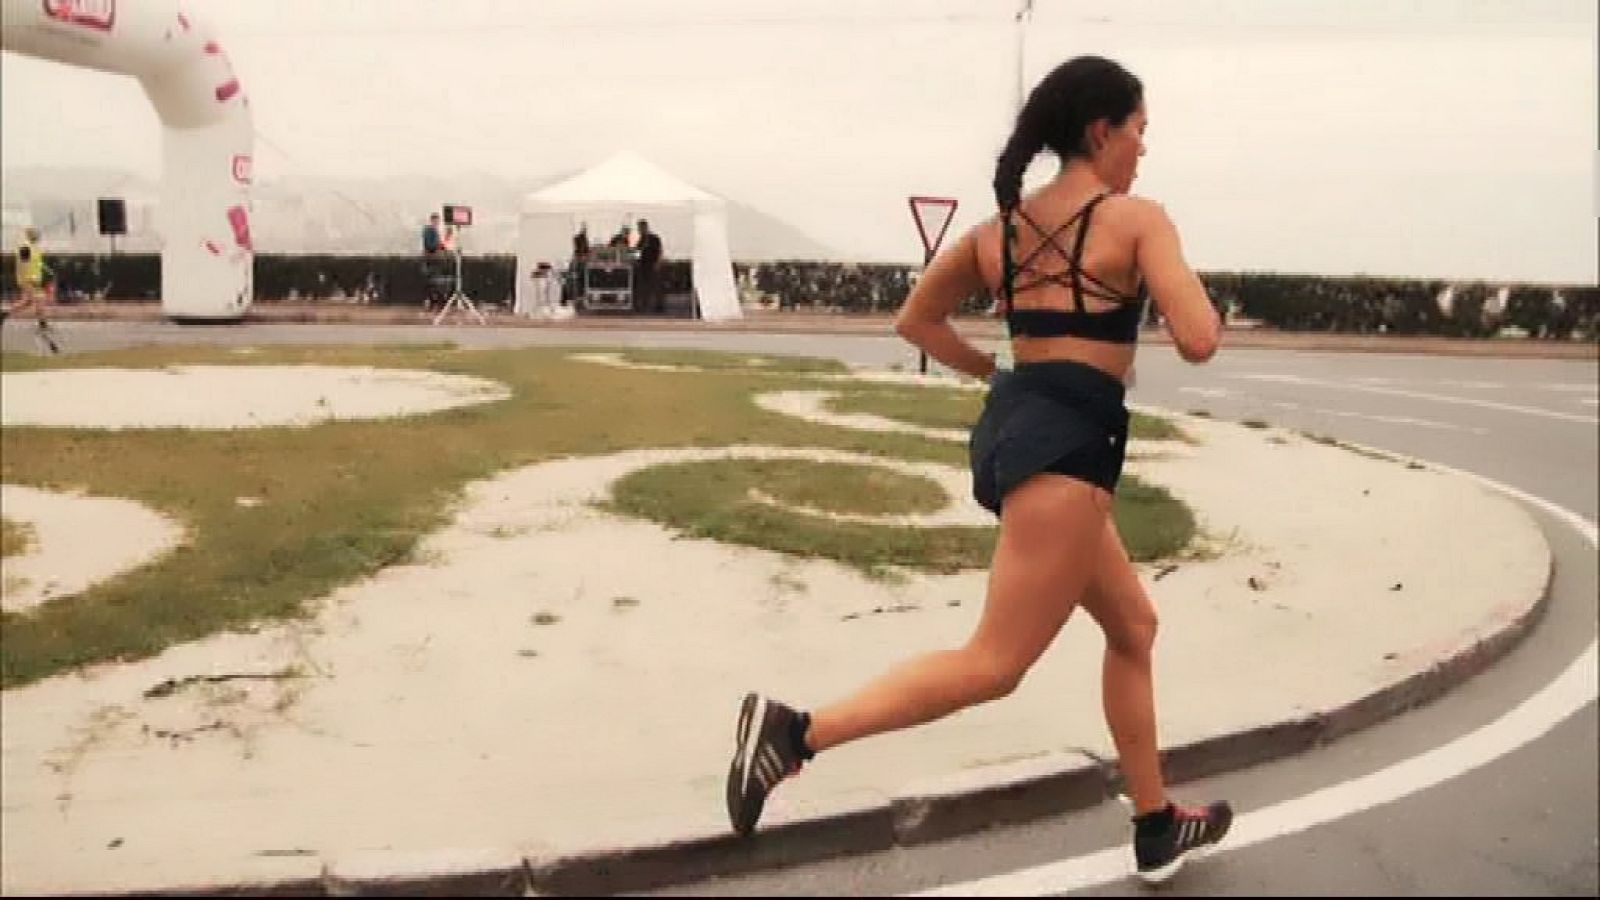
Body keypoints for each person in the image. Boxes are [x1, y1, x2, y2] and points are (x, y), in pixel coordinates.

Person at [723, 56, 1227, 885]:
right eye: (1139, 132)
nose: (1143, 150)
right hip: (1069, 453)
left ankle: (1154, 820)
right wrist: (1168, 298)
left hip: (1020, 432)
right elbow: (1200, 338)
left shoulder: (999, 234)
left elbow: (916, 321)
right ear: (1101, 132)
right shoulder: (1137, 220)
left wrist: (996, 375)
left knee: (1133, 627)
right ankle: (794, 734)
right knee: (994, 664)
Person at [8, 227, 59, 354]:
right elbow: (23, 264)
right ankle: (43, 324)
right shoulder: (25, 247)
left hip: (34, 280)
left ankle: (4, 313)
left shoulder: (35, 249)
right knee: (39, 299)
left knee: (27, 302)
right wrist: (28, 278)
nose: (38, 236)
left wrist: (48, 270)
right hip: (27, 280)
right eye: (35, 234)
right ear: (30, 235)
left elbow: (38, 263)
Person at [634, 219, 663, 313]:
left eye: (641, 227)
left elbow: (659, 251)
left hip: (652, 264)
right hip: (643, 265)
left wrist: (657, 263)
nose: (640, 229)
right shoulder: (641, 239)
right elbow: (637, 251)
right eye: (639, 228)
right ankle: (643, 305)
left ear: (645, 227)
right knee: (643, 285)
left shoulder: (654, 238)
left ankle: (659, 305)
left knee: (655, 285)